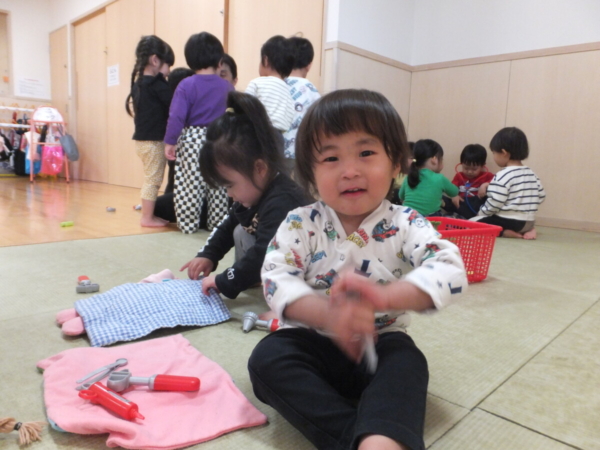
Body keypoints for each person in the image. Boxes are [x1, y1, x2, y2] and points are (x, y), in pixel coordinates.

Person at [248, 89, 467, 450]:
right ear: (310, 172)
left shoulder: (406, 222)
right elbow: (275, 277)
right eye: (331, 158)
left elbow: (451, 270)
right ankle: (360, 437)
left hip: (381, 341)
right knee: (266, 360)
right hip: (311, 341)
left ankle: (381, 437)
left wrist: (385, 297)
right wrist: (327, 315)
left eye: (366, 153)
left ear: (396, 163)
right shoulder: (301, 221)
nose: (350, 171)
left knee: (408, 364)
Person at [180, 91, 311, 299]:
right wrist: (208, 255)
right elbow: (226, 227)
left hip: (308, 272)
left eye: (230, 185)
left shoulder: (283, 200)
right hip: (276, 260)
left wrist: (224, 281)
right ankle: (254, 278)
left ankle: (261, 281)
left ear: (260, 168)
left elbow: (264, 253)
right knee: (240, 229)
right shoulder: (253, 193)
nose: (229, 194)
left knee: (253, 241)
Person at [164, 32, 234, 233]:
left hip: (192, 141)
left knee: (189, 186)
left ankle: (188, 225)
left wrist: (170, 141)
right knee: (218, 186)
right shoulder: (227, 86)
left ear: (190, 60)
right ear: (220, 61)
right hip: (219, 140)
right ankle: (217, 225)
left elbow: (176, 116)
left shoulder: (186, 85)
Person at [126, 35, 174, 227]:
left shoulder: (139, 84)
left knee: (151, 178)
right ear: (155, 60)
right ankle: (146, 217)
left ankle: (149, 215)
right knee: (153, 180)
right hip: (153, 142)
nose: (169, 71)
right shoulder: (157, 85)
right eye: (168, 65)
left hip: (142, 141)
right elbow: (173, 106)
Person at [472, 127, 545, 239]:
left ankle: (505, 232)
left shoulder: (503, 175)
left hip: (510, 221)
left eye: (494, 153)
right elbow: (541, 196)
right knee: (516, 223)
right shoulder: (532, 174)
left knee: (473, 223)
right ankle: (529, 230)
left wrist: (482, 213)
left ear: (504, 153)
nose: (493, 156)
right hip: (529, 222)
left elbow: (495, 201)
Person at [282, 36, 321, 175]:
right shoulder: (312, 91)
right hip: (302, 151)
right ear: (309, 65)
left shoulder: (277, 85)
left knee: (279, 184)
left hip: (277, 149)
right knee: (302, 185)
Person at [245, 35, 294, 133]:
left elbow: (243, 106)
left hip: (258, 133)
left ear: (265, 60)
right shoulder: (288, 91)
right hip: (278, 136)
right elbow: (290, 117)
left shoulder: (257, 83)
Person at [398, 139, 459, 216]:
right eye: (441, 159)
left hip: (407, 216)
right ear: (434, 160)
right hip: (430, 218)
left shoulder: (409, 177)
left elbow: (401, 196)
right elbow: (454, 192)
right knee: (454, 216)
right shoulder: (439, 178)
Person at [163, 67, 195, 195]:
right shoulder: (180, 103)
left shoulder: (171, 102)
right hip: (181, 146)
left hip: (178, 147)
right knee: (176, 180)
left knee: (174, 178)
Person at [443, 144, 494, 219]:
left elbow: (497, 182)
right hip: (461, 203)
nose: (469, 172)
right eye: (466, 168)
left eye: (474, 169)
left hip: (476, 204)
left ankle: (463, 216)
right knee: (440, 197)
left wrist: (485, 185)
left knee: (485, 199)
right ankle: (461, 215)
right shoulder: (459, 176)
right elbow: (452, 188)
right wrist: (454, 196)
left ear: (482, 166)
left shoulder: (487, 176)